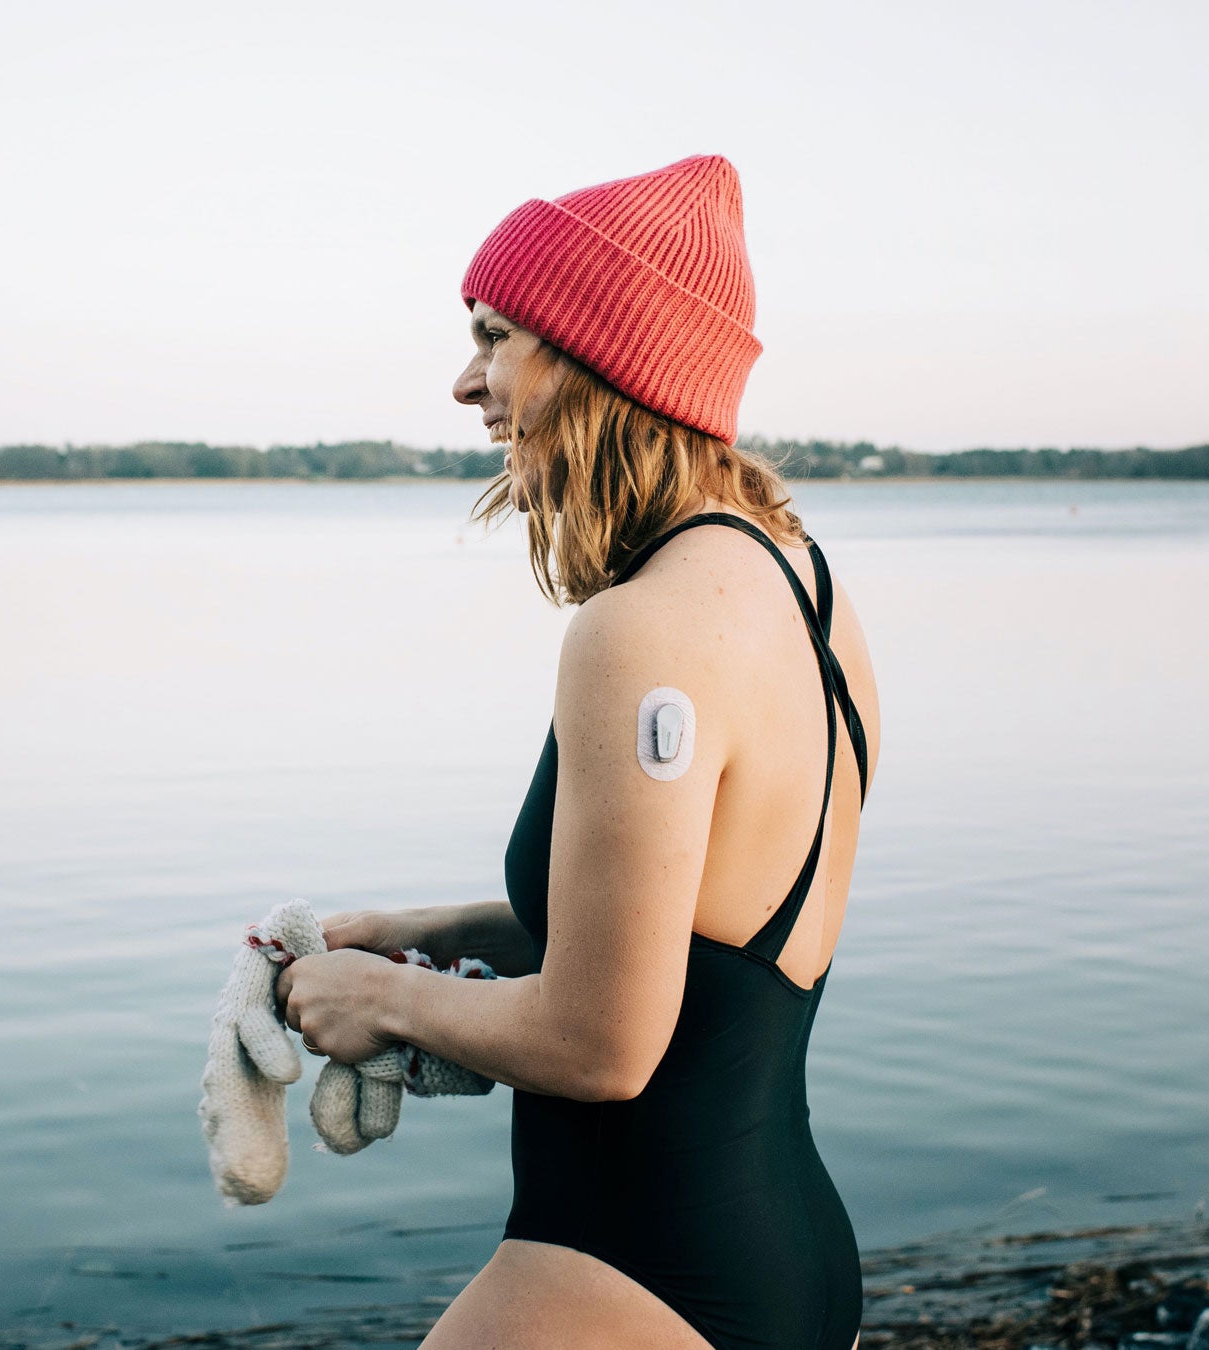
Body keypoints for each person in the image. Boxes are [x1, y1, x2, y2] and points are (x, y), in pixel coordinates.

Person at [275, 153, 878, 1350]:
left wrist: (376, 999)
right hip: (790, 1259)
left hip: (630, 1273)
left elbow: (603, 1041)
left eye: (496, 335)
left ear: (599, 356)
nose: (466, 381)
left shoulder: (637, 629)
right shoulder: (803, 588)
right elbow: (699, 930)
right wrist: (427, 933)